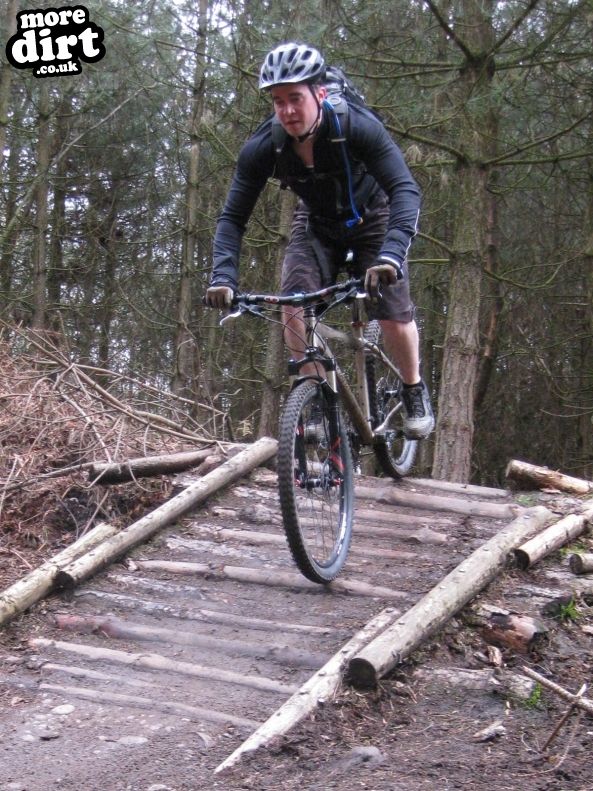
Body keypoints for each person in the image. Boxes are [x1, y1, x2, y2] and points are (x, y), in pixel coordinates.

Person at [206, 42, 434, 439]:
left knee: (392, 315)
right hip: (316, 223)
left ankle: (413, 388)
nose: (288, 111)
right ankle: (311, 394)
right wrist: (223, 277)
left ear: (320, 93)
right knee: (294, 304)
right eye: (278, 102)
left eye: (296, 98)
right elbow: (232, 217)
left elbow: (405, 190)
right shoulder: (266, 145)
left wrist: (392, 254)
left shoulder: (356, 126)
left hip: (373, 216)